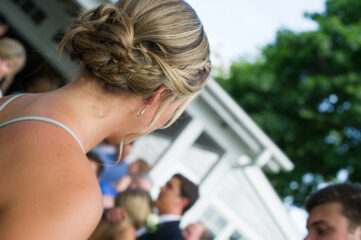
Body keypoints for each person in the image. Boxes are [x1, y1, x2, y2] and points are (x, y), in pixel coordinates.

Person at [0, 0, 211, 239]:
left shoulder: (9, 104)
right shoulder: (71, 192)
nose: (164, 121)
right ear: (157, 96)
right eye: (174, 109)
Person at [137, 173, 199, 240]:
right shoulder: (154, 218)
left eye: (169, 186)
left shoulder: (173, 237)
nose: (161, 187)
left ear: (182, 202)